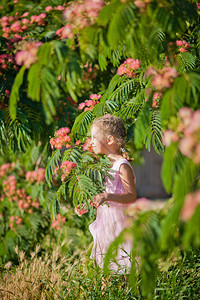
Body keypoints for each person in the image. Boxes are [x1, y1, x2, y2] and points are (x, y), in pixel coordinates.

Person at [89, 115, 137, 273]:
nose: (91, 142)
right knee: (106, 266)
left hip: (120, 222)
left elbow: (131, 195)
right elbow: (103, 192)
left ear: (109, 140)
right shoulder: (103, 165)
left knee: (123, 264)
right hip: (106, 221)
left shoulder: (122, 165)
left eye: (94, 137)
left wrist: (107, 197)